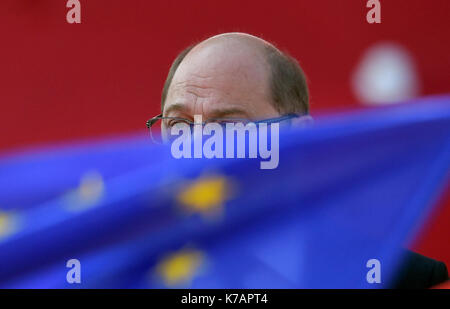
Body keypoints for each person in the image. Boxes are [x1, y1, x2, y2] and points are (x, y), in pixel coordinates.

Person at [150, 32, 448, 288]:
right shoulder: (116, 271)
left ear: (297, 141)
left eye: (230, 128)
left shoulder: (405, 279)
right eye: (178, 125)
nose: (198, 148)